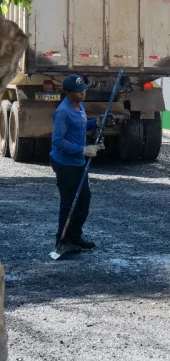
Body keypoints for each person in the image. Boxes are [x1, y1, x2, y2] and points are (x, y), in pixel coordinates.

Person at [50, 74, 105, 254]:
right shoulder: (63, 111)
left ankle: (75, 236)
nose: (83, 93)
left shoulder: (79, 105)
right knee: (69, 202)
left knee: (84, 200)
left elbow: (80, 126)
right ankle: (62, 240)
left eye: (83, 90)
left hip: (78, 161)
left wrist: (95, 123)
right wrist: (82, 150)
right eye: (79, 91)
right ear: (67, 93)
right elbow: (58, 140)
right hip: (65, 163)